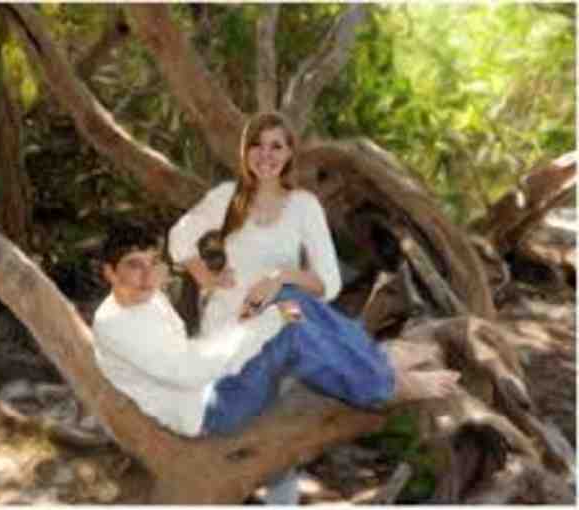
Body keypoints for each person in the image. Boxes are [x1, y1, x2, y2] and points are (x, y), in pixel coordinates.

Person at [167, 111, 459, 502]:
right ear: (245, 150)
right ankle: (384, 381)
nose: (266, 154)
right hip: (228, 363)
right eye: (257, 145)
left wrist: (281, 275)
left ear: (290, 153)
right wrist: (205, 277)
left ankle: (377, 365)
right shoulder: (226, 198)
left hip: (275, 337)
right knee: (289, 317)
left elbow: (329, 283)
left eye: (276, 146)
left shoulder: (304, 206)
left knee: (293, 302)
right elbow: (179, 237)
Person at [92, 224, 460, 500]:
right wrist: (263, 325)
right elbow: (188, 371)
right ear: (109, 272)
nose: (147, 276)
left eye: (152, 263)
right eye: (133, 266)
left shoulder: (144, 298)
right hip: (210, 409)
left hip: (211, 381)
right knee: (290, 331)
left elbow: (192, 351)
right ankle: (382, 386)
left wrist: (248, 314)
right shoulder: (116, 326)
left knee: (283, 291)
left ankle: (374, 358)